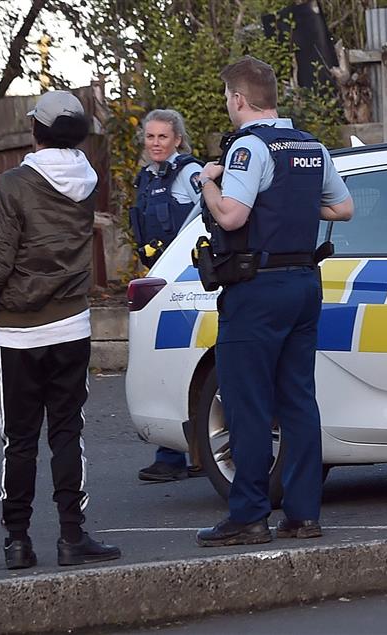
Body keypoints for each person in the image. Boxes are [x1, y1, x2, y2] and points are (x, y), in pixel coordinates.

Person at [192, 57, 354, 547]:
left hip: (257, 289)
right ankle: (304, 515)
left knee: (248, 402)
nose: (228, 105)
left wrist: (207, 181)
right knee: (299, 399)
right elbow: (342, 208)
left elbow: (234, 217)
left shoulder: (248, 147)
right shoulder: (310, 146)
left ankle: (249, 515)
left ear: (239, 99)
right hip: (305, 283)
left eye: (227, 98)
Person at [0, 90, 122, 570]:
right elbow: (48, 186)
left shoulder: (16, 184)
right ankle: (73, 536)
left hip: (18, 334)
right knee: (68, 433)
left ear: (37, 131)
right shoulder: (86, 178)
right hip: (70, 325)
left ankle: (17, 540)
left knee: (20, 438)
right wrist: (9, 184)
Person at [130, 108, 207, 483]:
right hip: (158, 279)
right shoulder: (146, 178)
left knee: (178, 360)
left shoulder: (191, 174)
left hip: (187, 280)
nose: (156, 143)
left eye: (163, 137)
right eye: (150, 137)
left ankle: (174, 456)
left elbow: (207, 215)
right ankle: (183, 454)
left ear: (178, 139)